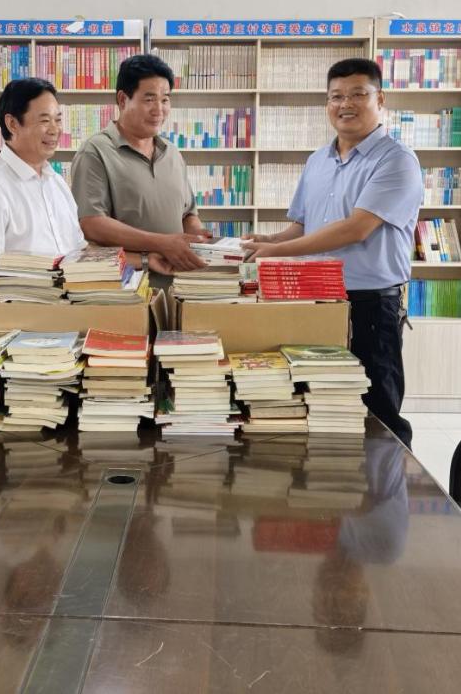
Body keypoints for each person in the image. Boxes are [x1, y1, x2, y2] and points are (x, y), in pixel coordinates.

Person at [243, 58, 422, 448]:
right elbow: (304, 226)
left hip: (368, 305)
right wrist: (269, 240)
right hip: (314, 299)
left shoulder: (396, 160)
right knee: (321, 405)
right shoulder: (318, 160)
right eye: (336, 96)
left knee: (376, 409)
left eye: (358, 94)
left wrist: (277, 251)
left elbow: (355, 229)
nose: (346, 104)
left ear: (380, 99)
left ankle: (387, 484)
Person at [70, 54, 207, 286]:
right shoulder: (95, 152)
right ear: (123, 100)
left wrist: (199, 241)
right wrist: (162, 243)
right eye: (149, 99)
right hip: (124, 289)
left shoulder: (172, 153)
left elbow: (188, 214)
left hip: (178, 286)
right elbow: (92, 224)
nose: (159, 109)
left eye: (165, 100)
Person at [0, 78, 85, 289]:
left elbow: (78, 251)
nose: (54, 130)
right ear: (12, 124)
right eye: (45, 120)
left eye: (58, 119)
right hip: (20, 309)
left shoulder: (57, 183)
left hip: (68, 305)